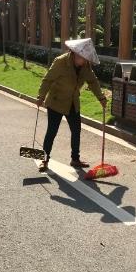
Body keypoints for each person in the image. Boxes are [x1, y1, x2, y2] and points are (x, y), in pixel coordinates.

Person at [36, 38, 107, 172]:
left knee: (76, 130)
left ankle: (75, 159)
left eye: (86, 58)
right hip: (56, 101)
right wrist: (41, 96)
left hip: (73, 102)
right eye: (83, 58)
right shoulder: (60, 62)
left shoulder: (85, 66)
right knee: (52, 131)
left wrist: (101, 98)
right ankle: (44, 159)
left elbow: (93, 82)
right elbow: (47, 80)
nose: (84, 61)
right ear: (75, 53)